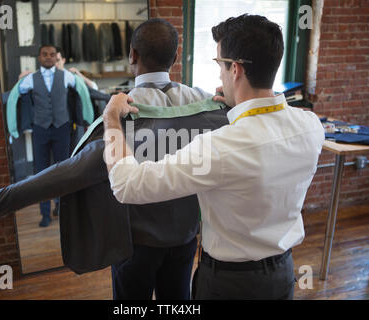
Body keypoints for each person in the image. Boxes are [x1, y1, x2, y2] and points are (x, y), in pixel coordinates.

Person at [102, 14, 325, 300]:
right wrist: (235, 106)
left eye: (220, 64)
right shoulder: (311, 126)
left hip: (230, 284)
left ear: (235, 69)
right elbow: (262, 135)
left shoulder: (219, 146)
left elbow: (126, 185)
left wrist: (110, 117)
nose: (219, 74)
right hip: (282, 274)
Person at [109, 18, 212, 300]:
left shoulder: (114, 114)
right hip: (185, 234)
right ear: (176, 57)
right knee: (178, 301)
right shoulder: (205, 102)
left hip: (135, 239)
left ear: (132, 54)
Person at [18, 45, 76, 227]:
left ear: (56, 57)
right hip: (40, 129)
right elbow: (19, 92)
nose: (49, 57)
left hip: (62, 127)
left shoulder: (66, 76)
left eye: (52, 55)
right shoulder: (30, 79)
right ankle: (44, 213)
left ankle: (62, 207)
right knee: (41, 172)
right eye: (45, 54)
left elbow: (78, 92)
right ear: (39, 58)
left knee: (63, 169)